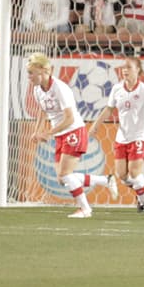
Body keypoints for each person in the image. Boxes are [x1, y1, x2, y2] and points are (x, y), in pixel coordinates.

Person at [26, 52, 110, 218]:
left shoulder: (60, 88)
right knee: (62, 178)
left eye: (31, 73)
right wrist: (37, 131)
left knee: (65, 175)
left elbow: (69, 118)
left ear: (42, 71)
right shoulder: (37, 90)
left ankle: (85, 209)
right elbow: (42, 112)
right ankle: (105, 180)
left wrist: (48, 133)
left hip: (74, 131)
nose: (29, 77)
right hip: (61, 134)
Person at [87, 55, 144, 212]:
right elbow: (109, 109)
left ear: (138, 71)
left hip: (140, 135)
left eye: (129, 67)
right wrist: (96, 124)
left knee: (135, 172)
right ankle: (140, 189)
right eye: (123, 68)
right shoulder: (117, 89)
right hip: (122, 136)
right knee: (122, 175)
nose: (125, 70)